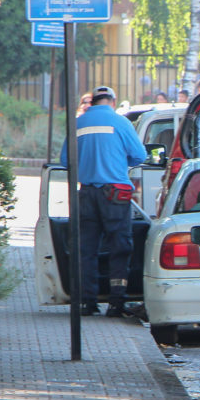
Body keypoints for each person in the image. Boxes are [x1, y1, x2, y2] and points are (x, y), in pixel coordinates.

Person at [59, 85, 148, 317]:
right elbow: (140, 156)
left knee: (86, 249)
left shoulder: (77, 123)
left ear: (94, 101)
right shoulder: (120, 122)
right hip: (115, 194)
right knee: (120, 247)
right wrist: (117, 161)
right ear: (112, 101)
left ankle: (88, 302)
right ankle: (117, 302)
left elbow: (65, 160)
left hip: (86, 193)